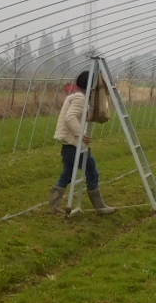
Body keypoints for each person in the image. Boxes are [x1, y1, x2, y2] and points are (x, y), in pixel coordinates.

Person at [48, 70, 116, 216]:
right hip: (74, 145)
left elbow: (75, 116)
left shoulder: (75, 95)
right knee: (91, 171)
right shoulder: (80, 98)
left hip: (69, 146)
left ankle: (53, 205)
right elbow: (70, 117)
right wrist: (81, 135)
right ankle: (100, 207)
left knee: (67, 174)